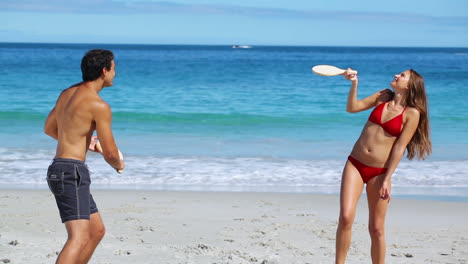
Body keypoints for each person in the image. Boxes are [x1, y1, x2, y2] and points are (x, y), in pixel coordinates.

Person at [335, 69, 431, 264]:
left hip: (379, 173)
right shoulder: (382, 96)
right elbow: (352, 108)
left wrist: (387, 178)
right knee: (345, 218)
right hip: (355, 164)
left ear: (409, 86)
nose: (396, 75)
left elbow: (399, 148)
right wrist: (354, 83)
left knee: (376, 229)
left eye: (402, 75)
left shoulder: (412, 114)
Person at [44, 49, 125, 264]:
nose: (115, 74)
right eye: (114, 69)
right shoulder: (99, 106)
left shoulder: (67, 93)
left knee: (96, 231)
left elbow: (49, 128)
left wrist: (85, 142)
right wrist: (119, 163)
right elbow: (109, 152)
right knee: (78, 237)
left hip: (60, 170)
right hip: (72, 172)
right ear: (104, 71)